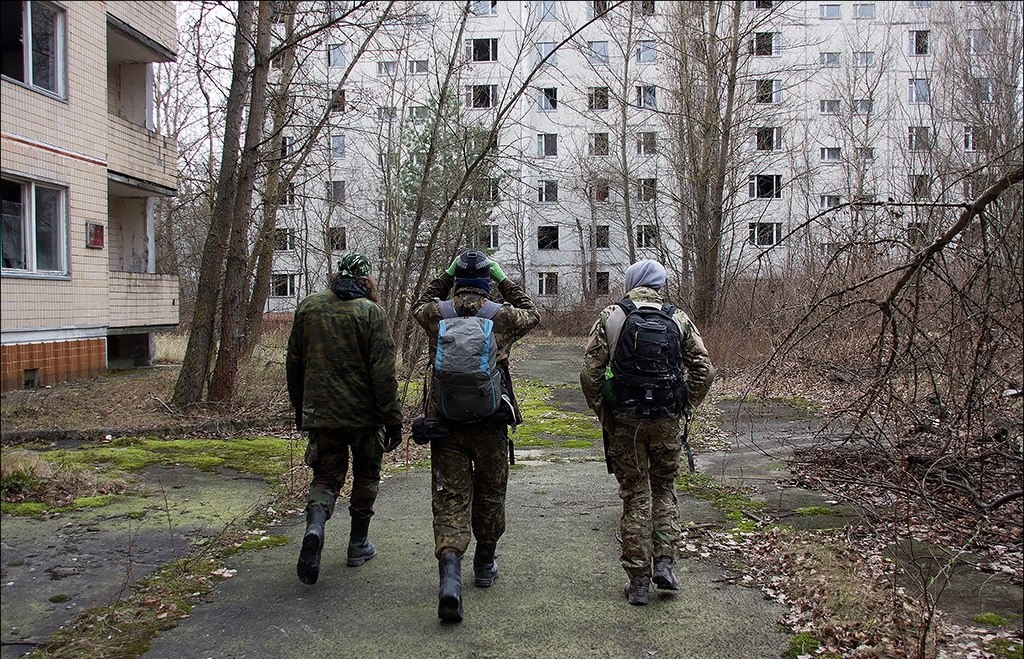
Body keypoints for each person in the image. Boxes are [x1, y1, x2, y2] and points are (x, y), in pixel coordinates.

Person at [411, 250, 540, 623]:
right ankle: (484, 566)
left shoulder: (437, 314)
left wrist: (445, 274)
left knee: (450, 498)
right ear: (486, 280)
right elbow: (533, 312)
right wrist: (503, 279)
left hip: (445, 423)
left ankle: (450, 577)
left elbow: (419, 301)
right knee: (490, 492)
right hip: (491, 423)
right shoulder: (500, 316)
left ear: (456, 280)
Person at [580, 259, 715, 606]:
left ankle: (638, 581)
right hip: (667, 418)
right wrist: (686, 404)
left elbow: (589, 373)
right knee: (665, 489)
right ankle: (666, 566)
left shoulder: (613, 315)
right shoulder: (678, 317)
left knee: (635, 494)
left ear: (632, 281)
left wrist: (604, 412)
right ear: (659, 283)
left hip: (627, 420)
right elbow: (704, 369)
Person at [286, 252, 404, 586]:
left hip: (321, 413)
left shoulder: (309, 306)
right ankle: (357, 544)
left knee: (325, 476)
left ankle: (315, 527)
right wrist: (392, 419)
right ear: (367, 279)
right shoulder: (371, 313)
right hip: (364, 417)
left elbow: (293, 361)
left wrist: (301, 407)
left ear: (339, 275)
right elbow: (383, 374)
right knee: (367, 475)